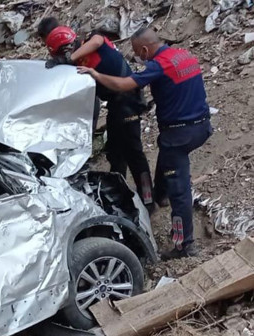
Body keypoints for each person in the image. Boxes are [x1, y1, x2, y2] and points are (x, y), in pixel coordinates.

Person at [78, 27, 212, 260]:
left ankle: (185, 245)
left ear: (144, 49)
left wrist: (95, 74)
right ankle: (160, 195)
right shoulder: (184, 55)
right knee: (166, 159)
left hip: (178, 135)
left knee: (180, 191)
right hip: (202, 126)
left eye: (136, 51)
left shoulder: (158, 66)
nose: (136, 56)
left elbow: (123, 85)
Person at [37, 17, 154, 208]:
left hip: (129, 99)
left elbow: (98, 41)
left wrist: (68, 59)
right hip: (116, 103)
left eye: (61, 53)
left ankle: (148, 200)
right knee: (115, 151)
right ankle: (119, 193)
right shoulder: (76, 63)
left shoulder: (92, 40)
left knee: (133, 152)